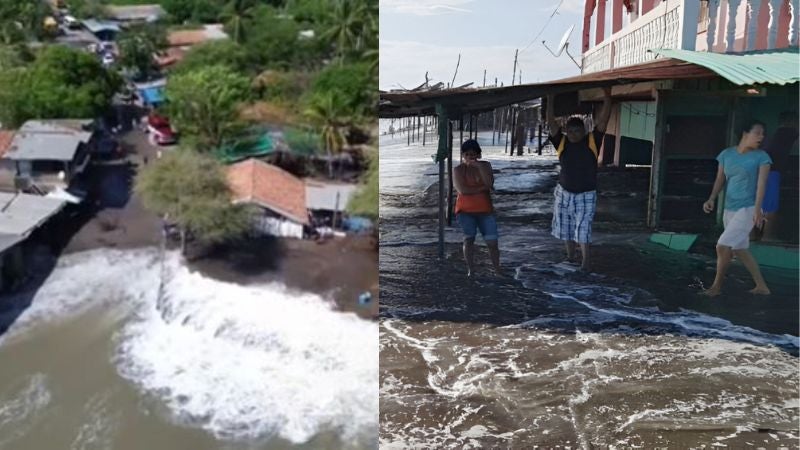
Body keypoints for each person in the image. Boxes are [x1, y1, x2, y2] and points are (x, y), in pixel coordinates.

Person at [702, 120, 772, 296]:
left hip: (748, 209)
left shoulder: (762, 156)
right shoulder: (726, 154)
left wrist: (757, 210)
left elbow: (762, 184)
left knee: (722, 245)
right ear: (745, 134)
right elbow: (720, 179)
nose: (761, 137)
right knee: (739, 249)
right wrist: (711, 198)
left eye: (763, 134)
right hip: (729, 208)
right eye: (757, 133)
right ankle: (762, 287)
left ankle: (716, 287)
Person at [546, 88, 612, 271]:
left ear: (584, 130)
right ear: (566, 131)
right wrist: (550, 99)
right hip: (564, 192)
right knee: (565, 227)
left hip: (586, 193)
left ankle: (586, 262)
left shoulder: (592, 141)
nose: (574, 133)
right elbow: (551, 123)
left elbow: (604, 120)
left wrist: (608, 96)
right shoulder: (561, 142)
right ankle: (570, 257)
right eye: (571, 130)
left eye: (578, 130)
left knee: (583, 228)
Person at [453, 139, 501, 277]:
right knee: (469, 239)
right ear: (463, 156)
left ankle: (497, 270)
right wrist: (482, 188)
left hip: (485, 210)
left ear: (479, 155)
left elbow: (490, 184)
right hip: (465, 211)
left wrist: (478, 167)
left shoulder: (485, 166)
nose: (470, 158)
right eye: (467, 155)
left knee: (492, 242)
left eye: (473, 155)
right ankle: (471, 270)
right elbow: (462, 190)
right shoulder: (458, 170)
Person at [759, 111, 798, 239]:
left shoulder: (776, 136)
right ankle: (767, 238)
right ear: (790, 121)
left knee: (766, 206)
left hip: (767, 171)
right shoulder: (787, 132)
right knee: (770, 208)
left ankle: (762, 237)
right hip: (772, 172)